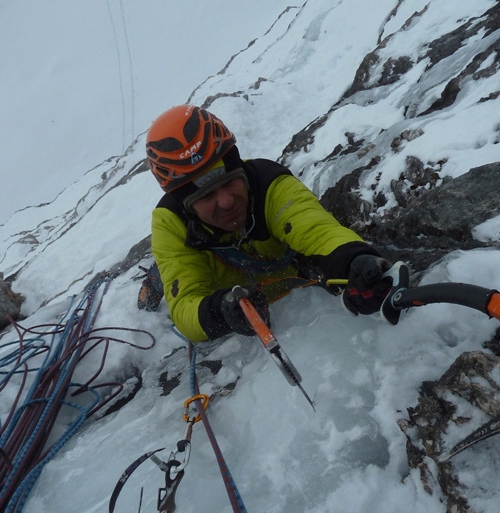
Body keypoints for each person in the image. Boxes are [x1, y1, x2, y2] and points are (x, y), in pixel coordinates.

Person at [145, 104, 393, 342]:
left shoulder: (270, 184)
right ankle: (157, 277)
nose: (227, 201)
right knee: (173, 271)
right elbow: (185, 307)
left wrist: (354, 261)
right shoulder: (171, 224)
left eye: (230, 181)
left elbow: (319, 232)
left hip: (273, 279)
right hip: (223, 286)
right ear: (186, 204)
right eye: (206, 196)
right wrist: (221, 310)